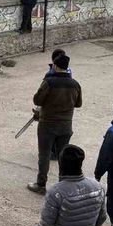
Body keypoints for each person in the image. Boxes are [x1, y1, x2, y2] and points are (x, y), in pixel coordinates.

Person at [30, 145, 106, 226]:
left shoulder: (56, 192)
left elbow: (46, 224)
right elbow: (102, 217)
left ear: (61, 164)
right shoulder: (97, 187)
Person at [28, 53, 82, 194]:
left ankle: (41, 184)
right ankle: (62, 187)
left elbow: (37, 100)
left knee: (44, 155)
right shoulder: (75, 84)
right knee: (62, 156)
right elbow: (78, 103)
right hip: (66, 125)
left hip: (48, 124)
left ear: (55, 66)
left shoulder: (49, 82)